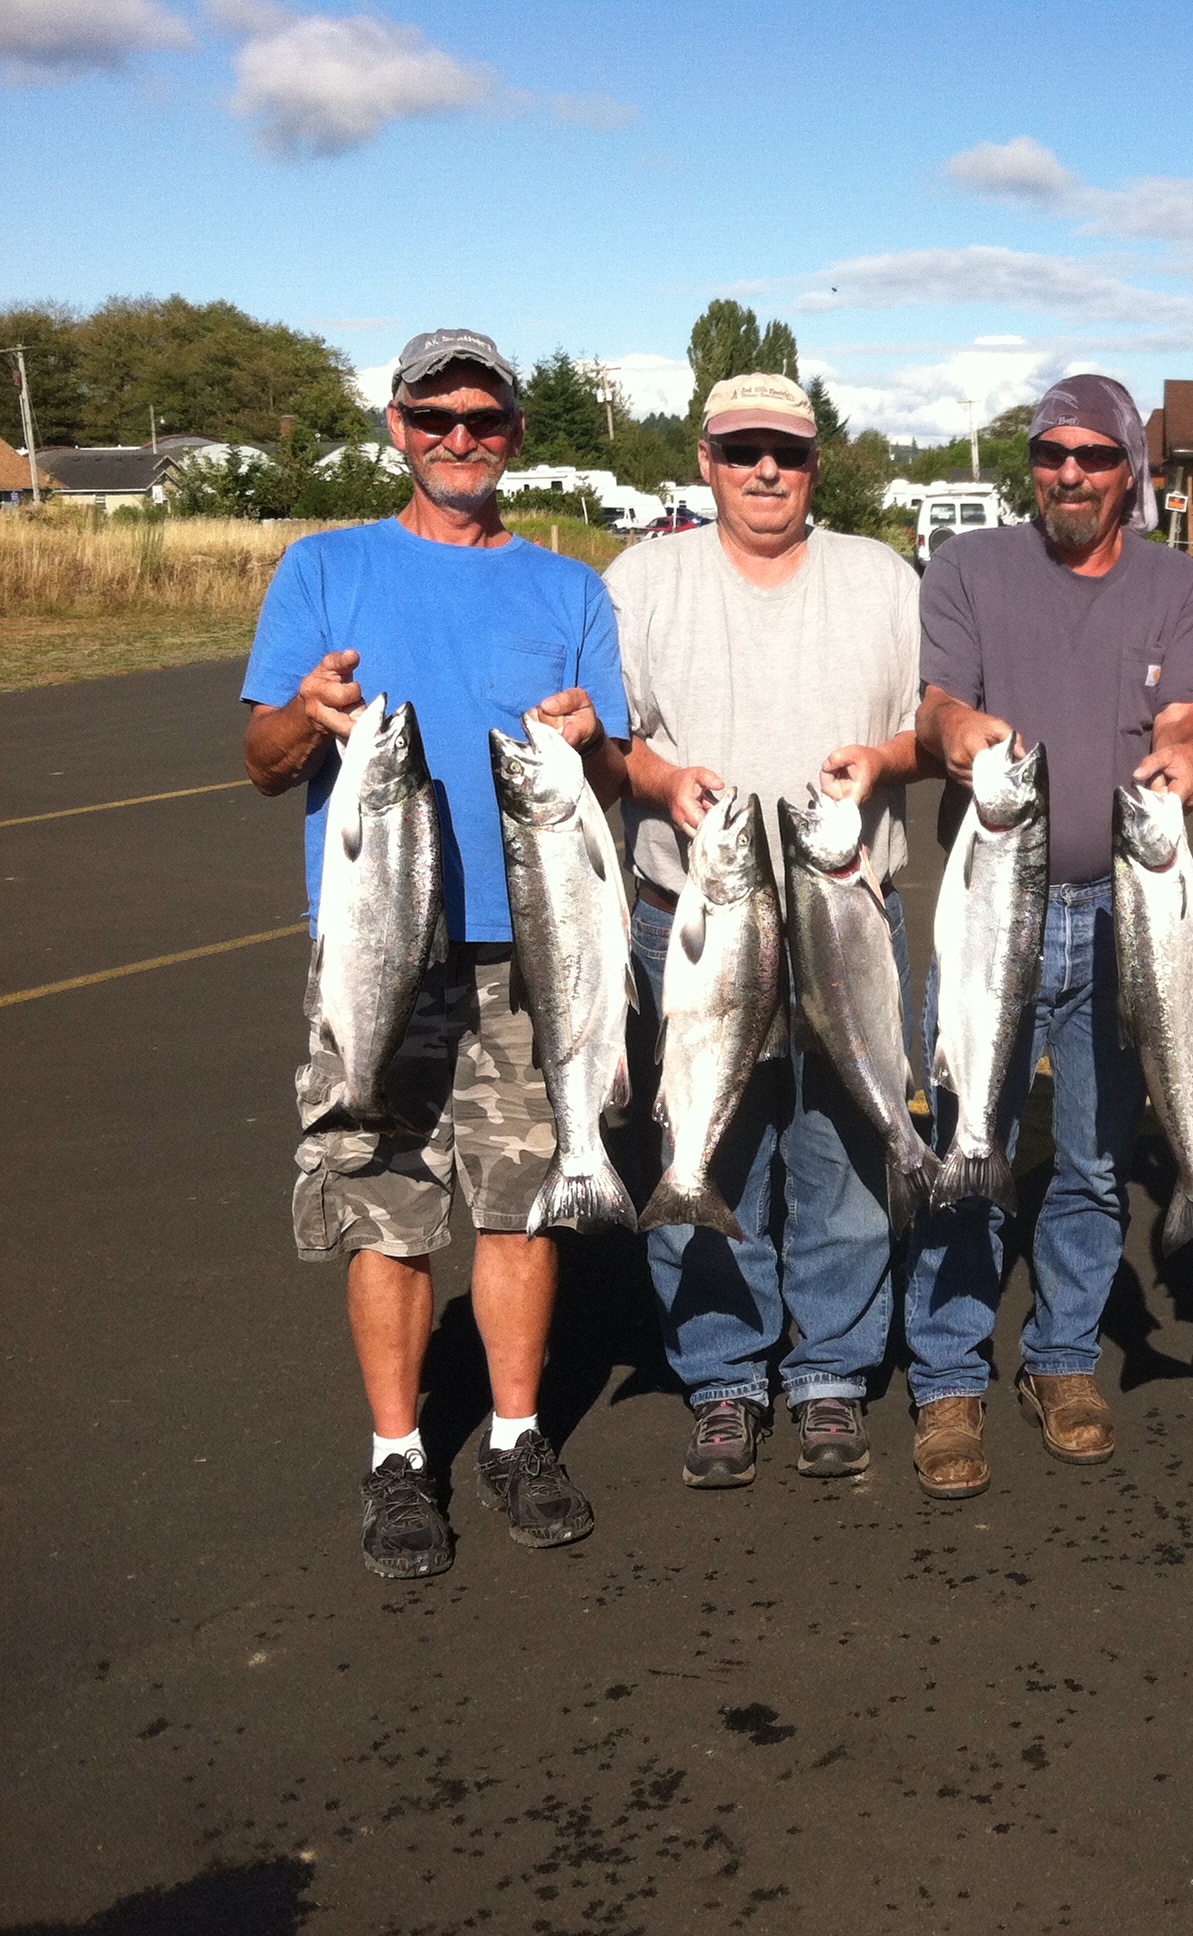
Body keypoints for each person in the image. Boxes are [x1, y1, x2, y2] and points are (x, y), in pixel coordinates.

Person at [240, 328, 628, 1579]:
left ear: (515, 433)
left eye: (485, 419)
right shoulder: (324, 569)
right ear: (397, 426)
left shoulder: (570, 588)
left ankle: (516, 1435)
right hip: (377, 955)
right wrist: (305, 715)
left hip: (534, 955)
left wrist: (589, 740)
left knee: (522, 1208)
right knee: (387, 1214)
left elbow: (609, 774)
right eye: (435, 417)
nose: (460, 439)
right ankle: (398, 1458)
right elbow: (258, 764)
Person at [610, 371, 927, 1490]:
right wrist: (659, 782)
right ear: (704, 459)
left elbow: (925, 728)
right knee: (708, 1146)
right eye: (741, 448)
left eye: (785, 452)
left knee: (840, 1153)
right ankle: (724, 1376)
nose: (764, 471)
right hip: (696, 922)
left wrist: (883, 760)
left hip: (846, 916)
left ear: (815, 463)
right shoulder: (643, 578)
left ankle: (831, 1374)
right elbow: (608, 742)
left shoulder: (884, 579)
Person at [906, 374, 1193, 1500]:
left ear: (1131, 468)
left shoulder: (1180, 581)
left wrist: (1185, 748)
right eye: (1050, 454)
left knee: (1089, 1158)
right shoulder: (970, 568)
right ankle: (946, 1374)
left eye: (1092, 455)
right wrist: (959, 729)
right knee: (967, 1144)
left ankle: (1064, 1360)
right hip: (997, 909)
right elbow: (940, 703)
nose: (1070, 474)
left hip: (1126, 907)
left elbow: (1187, 709)